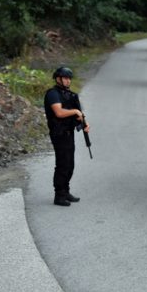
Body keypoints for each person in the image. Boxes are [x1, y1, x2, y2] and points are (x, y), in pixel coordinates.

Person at [44, 66, 90, 206]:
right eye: (65, 78)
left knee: (70, 164)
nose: (68, 81)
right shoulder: (53, 94)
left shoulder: (69, 94)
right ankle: (59, 195)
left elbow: (77, 113)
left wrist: (84, 123)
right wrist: (75, 111)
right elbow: (59, 112)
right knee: (62, 164)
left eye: (69, 78)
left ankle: (66, 191)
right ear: (58, 79)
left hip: (69, 133)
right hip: (59, 133)